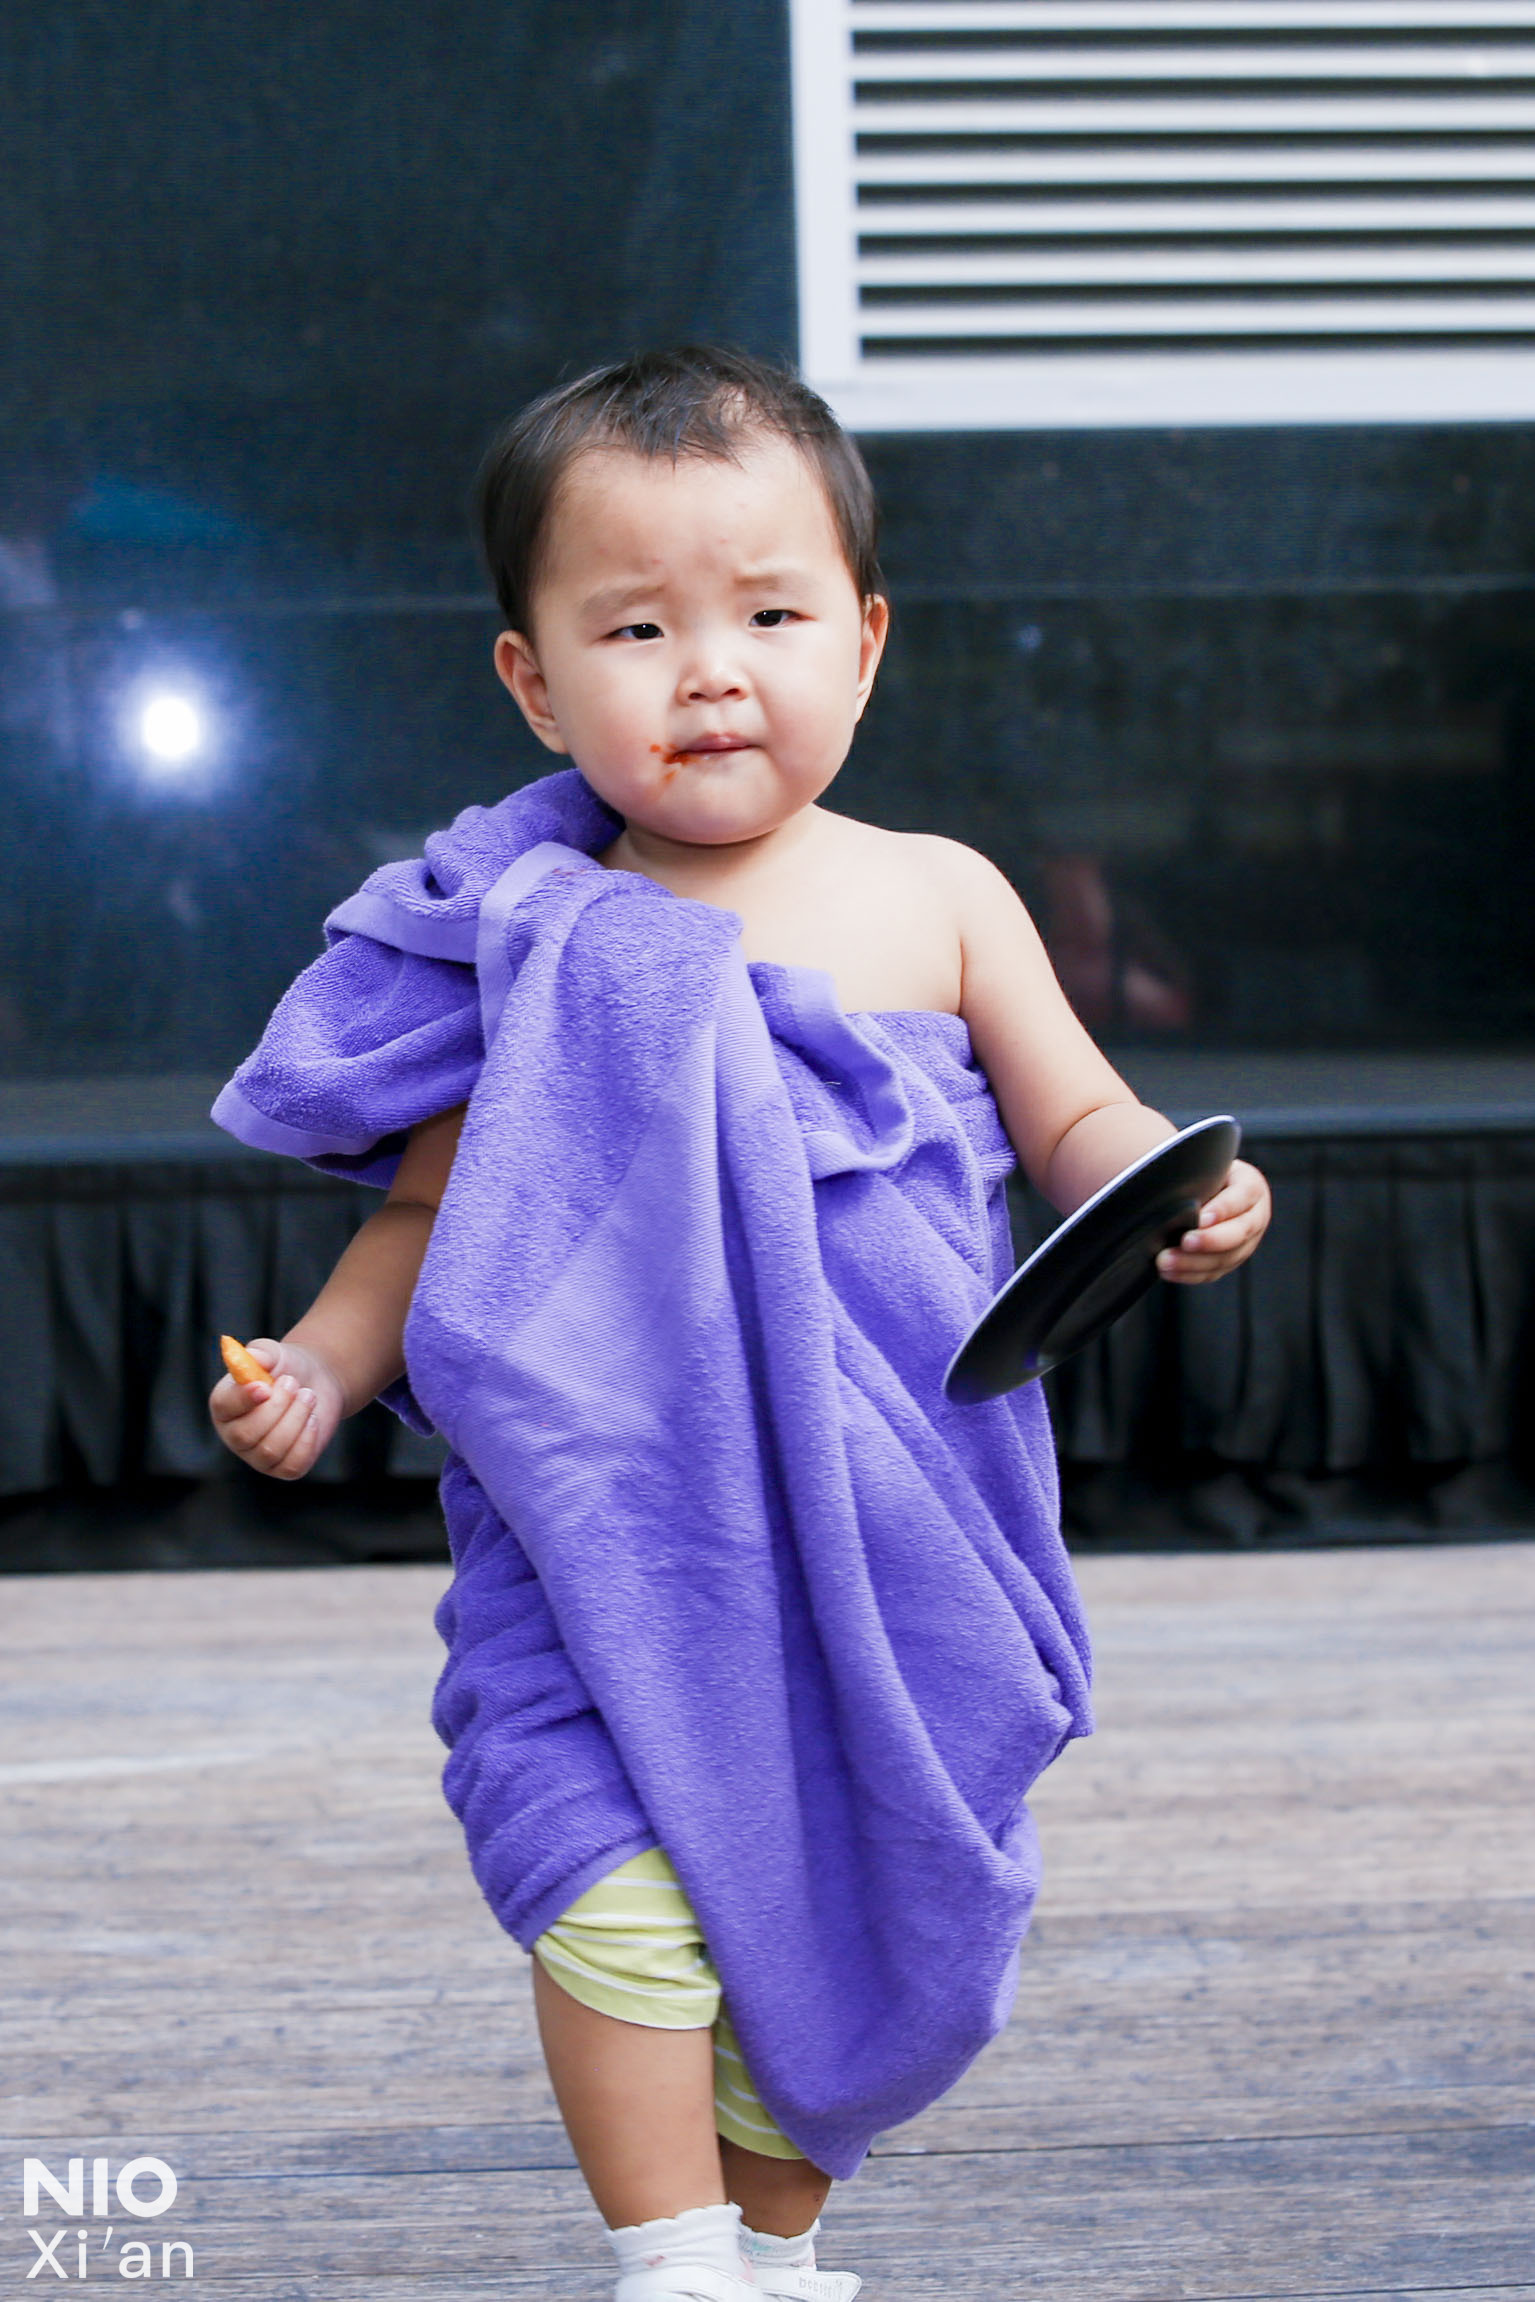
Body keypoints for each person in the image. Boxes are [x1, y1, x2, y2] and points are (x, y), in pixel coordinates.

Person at [207, 347, 1270, 2302]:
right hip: (616, 1515)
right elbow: (435, 1210)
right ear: (534, 680)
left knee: (853, 1903)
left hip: (890, 1520)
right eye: (636, 627)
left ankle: (770, 2253)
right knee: (608, 1880)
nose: (709, 671)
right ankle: (674, 2259)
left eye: (769, 615)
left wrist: (1175, 1180)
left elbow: (1078, 1115)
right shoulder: (545, 936)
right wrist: (328, 1363)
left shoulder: (941, 896)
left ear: (864, 640)